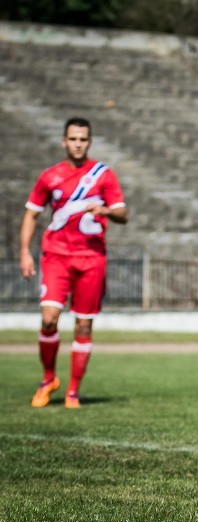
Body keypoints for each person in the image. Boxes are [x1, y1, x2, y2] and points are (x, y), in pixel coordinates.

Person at [19, 117, 128, 409]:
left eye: (83, 139)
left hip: (91, 258)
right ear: (64, 141)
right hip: (56, 256)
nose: (78, 144)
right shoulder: (50, 177)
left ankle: (73, 391)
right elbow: (31, 214)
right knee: (49, 319)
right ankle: (48, 379)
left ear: (89, 142)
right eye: (73, 139)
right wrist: (25, 252)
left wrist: (104, 209)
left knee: (83, 326)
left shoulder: (103, 175)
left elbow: (122, 213)